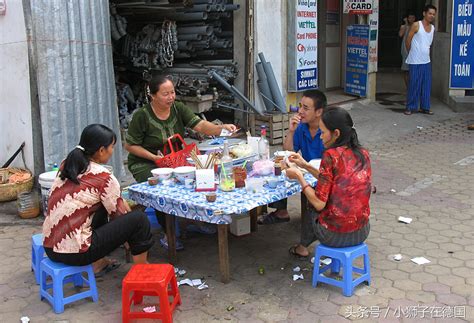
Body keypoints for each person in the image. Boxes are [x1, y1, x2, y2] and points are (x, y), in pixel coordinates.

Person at [124, 75, 237, 249]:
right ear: (153, 96)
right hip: (146, 163)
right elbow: (130, 145)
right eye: (165, 94)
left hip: (175, 160)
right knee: (162, 189)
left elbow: (200, 125)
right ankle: (169, 233)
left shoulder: (178, 108)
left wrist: (221, 128)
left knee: (199, 177)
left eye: (172, 92)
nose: (171, 97)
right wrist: (155, 158)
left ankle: (197, 220)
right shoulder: (142, 115)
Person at [43, 124, 154, 276]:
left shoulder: (67, 165)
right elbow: (119, 215)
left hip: (50, 247)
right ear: (102, 150)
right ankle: (143, 269)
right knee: (139, 220)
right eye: (112, 147)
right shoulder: (104, 177)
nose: (112, 151)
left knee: (99, 206)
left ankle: (98, 263)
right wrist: (131, 239)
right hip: (77, 253)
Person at [285, 107, 371, 257]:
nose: (320, 137)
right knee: (319, 194)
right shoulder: (363, 153)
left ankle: (303, 246)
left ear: (336, 134)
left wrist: (299, 176)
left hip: (334, 236)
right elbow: (333, 181)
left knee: (311, 201)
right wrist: (305, 165)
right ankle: (303, 245)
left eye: (323, 132)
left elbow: (319, 203)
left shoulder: (330, 155)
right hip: (362, 231)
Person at [258, 90, 326, 225]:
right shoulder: (301, 127)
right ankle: (281, 211)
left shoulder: (327, 129)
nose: (300, 111)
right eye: (300, 106)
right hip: (307, 169)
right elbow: (288, 151)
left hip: (324, 173)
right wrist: (291, 130)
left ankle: (316, 219)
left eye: (305, 108)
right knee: (279, 166)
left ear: (319, 112)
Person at [404, 5, 437, 116]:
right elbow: (408, 40)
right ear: (424, 13)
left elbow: (429, 44)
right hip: (415, 60)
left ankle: (425, 107)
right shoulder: (416, 25)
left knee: (426, 85)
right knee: (414, 84)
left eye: (433, 14)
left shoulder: (432, 28)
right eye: (430, 13)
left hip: (426, 60)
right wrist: (411, 52)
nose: (431, 16)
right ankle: (410, 107)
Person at [399, 12, 417, 88]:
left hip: (414, 50)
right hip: (406, 50)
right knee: (406, 70)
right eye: (409, 18)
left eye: (413, 18)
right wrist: (406, 23)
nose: (411, 19)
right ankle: (408, 87)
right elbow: (400, 34)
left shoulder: (417, 26)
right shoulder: (404, 26)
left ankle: (413, 86)